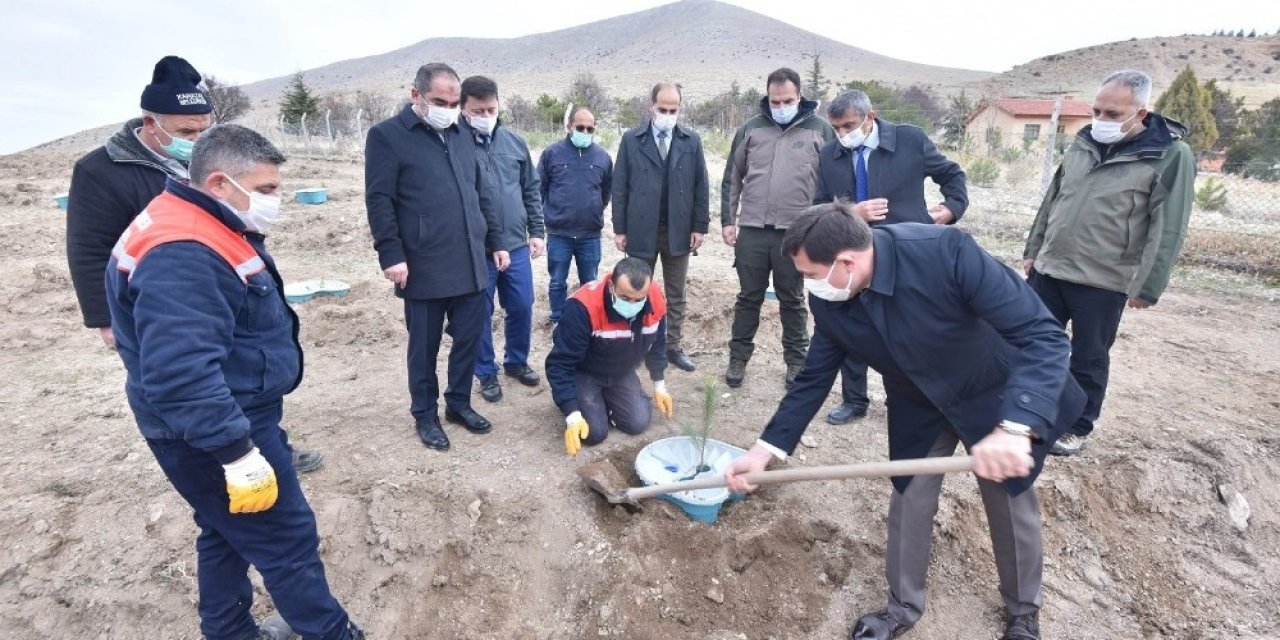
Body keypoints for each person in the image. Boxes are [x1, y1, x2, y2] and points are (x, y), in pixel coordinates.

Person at [725, 203, 1086, 640]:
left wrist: (1015, 427)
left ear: (847, 262)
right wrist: (764, 452)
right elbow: (813, 380)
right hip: (920, 403)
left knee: (1010, 500)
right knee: (909, 497)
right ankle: (901, 608)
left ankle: (1023, 613)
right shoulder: (833, 300)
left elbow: (1042, 334)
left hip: (995, 395)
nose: (808, 285)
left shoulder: (946, 252)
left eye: (810, 273)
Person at [105, 124, 363, 640]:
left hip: (224, 416)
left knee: (223, 529)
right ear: (220, 183)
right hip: (212, 429)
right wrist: (238, 454)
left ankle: (228, 631)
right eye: (266, 189)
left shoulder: (192, 219)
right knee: (286, 541)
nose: (275, 200)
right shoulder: (184, 250)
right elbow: (182, 374)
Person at [66, 55, 323, 473]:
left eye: (204, 129)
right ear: (151, 123)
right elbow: (89, 247)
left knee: (241, 377)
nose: (197, 139)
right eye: (187, 131)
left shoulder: (203, 161)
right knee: (186, 378)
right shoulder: (102, 171)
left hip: (214, 287)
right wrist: (104, 318)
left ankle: (268, 448)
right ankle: (214, 460)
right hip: (155, 298)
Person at [1023, 69, 1195, 457]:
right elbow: (1053, 199)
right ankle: (1028, 413)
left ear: (1142, 112)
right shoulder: (1083, 141)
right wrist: (1034, 249)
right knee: (1031, 344)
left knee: (1088, 356)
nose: (1101, 121)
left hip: (1104, 280)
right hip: (1051, 267)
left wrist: (1148, 285)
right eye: (1096, 111)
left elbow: (1168, 226)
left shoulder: (1170, 155)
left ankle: (1076, 426)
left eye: (1113, 115)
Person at [365, 62, 509, 452]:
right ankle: (425, 414)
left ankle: (458, 404)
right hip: (422, 264)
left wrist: (495, 241)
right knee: (424, 345)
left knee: (468, 338)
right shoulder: (388, 137)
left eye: (453, 101)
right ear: (416, 95)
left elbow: (480, 195)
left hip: (470, 259)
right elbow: (380, 200)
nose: (447, 107)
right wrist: (391, 254)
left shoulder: (461, 133)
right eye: (438, 100)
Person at [814, 89, 968, 425]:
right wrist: (851, 212)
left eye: (849, 126)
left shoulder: (909, 140)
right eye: (836, 129)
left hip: (905, 256)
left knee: (908, 328)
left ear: (870, 117)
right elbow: (819, 205)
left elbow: (952, 174)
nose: (842, 135)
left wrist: (951, 209)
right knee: (853, 325)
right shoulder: (830, 155)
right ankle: (854, 401)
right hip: (853, 256)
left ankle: (912, 397)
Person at [720, 67, 835, 389]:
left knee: (793, 298)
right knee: (748, 297)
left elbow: (833, 181)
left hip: (798, 233)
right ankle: (738, 358)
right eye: (775, 100)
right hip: (753, 230)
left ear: (800, 98)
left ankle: (796, 362)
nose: (781, 106)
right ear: (767, 98)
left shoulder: (820, 130)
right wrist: (729, 220)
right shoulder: (751, 129)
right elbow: (732, 178)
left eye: (787, 100)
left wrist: (822, 228)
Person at [612, 81, 710, 373]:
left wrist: (699, 226)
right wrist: (620, 228)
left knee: (676, 292)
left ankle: (672, 346)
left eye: (673, 109)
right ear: (651, 106)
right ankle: (636, 346)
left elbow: (701, 187)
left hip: (678, 230)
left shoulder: (691, 141)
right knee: (637, 288)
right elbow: (620, 186)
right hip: (641, 229)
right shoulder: (632, 139)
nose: (668, 114)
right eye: (662, 109)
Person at [460, 75, 546, 403]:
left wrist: (536, 231)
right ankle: (486, 372)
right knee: (480, 312)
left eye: (491, 109)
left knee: (522, 305)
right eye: (477, 110)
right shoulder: (456, 144)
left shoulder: (514, 142)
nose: (485, 116)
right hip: (476, 248)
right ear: (463, 109)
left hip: (516, 243)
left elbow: (530, 188)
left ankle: (516, 361)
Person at [546, 258, 674, 455]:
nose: (633, 304)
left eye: (639, 300)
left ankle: (610, 399)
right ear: (612, 286)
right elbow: (560, 364)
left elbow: (657, 344)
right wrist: (572, 412)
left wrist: (659, 384)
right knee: (593, 433)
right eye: (625, 298)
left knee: (637, 423)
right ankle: (582, 400)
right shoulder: (583, 307)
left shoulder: (656, 300)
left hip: (621, 369)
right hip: (585, 370)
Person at [539, 107, 613, 326]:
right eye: (580, 127)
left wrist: (595, 209)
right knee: (557, 282)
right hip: (559, 233)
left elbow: (606, 191)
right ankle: (558, 322)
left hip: (590, 234)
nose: (585, 131)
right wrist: (550, 215)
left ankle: (585, 321)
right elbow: (539, 188)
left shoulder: (602, 157)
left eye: (590, 128)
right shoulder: (552, 154)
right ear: (569, 126)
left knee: (590, 282)